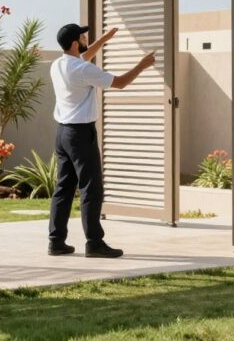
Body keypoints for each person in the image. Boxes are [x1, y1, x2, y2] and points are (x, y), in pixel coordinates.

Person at [48, 23, 156, 258]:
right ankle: (94, 243)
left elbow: (84, 56)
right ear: (75, 43)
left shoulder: (58, 65)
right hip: (80, 135)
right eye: (83, 36)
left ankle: (56, 241)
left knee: (63, 188)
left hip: (63, 134)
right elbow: (120, 82)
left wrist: (104, 40)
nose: (87, 38)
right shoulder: (83, 70)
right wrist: (142, 65)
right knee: (91, 189)